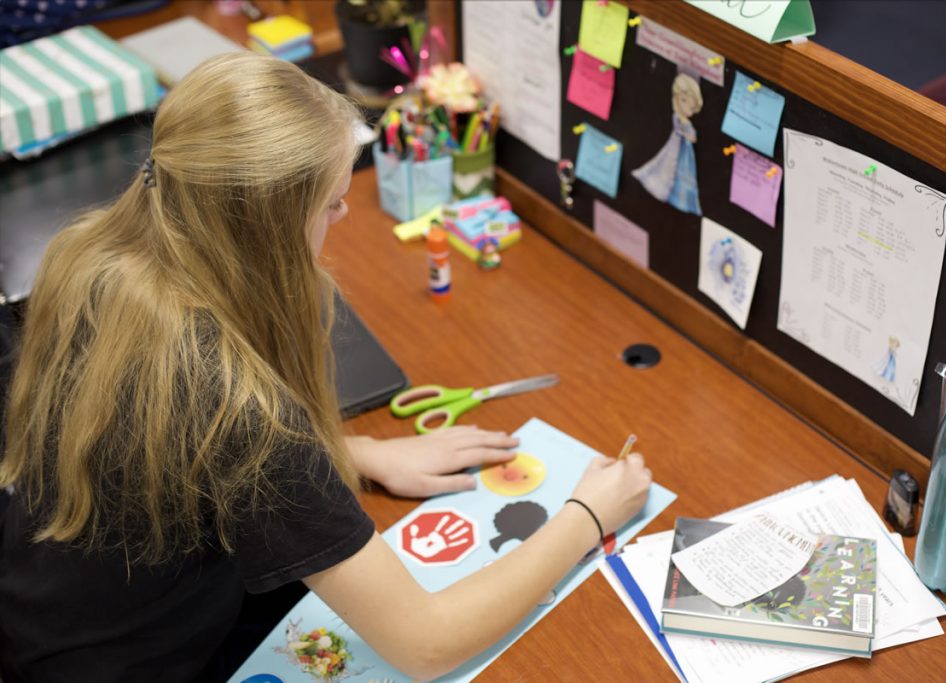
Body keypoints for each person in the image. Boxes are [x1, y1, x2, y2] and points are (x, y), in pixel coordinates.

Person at [0, 53, 652, 682]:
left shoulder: (87, 255)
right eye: (332, 203)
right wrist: (587, 515)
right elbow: (426, 643)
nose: (342, 217)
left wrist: (356, 450)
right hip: (139, 660)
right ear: (272, 227)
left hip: (41, 608)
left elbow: (169, 442)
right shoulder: (239, 407)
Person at [632, 71, 704, 216]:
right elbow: (683, 130)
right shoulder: (678, 118)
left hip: (684, 152)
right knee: (666, 166)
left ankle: (681, 199)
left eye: (690, 105)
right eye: (683, 100)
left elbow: (693, 137)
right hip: (675, 147)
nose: (687, 108)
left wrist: (686, 134)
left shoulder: (685, 122)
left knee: (680, 173)